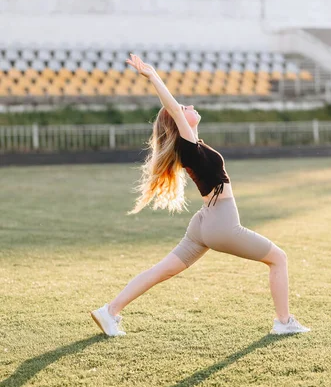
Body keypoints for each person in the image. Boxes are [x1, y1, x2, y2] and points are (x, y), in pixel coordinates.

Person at [90, 54, 310, 337]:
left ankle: (110, 311)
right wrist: (153, 76)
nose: (188, 106)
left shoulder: (193, 145)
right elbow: (172, 108)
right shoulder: (188, 146)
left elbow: (182, 119)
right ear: (176, 120)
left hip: (204, 224)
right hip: (221, 224)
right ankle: (283, 322)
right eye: (182, 107)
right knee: (278, 258)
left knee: (162, 270)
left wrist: (187, 121)